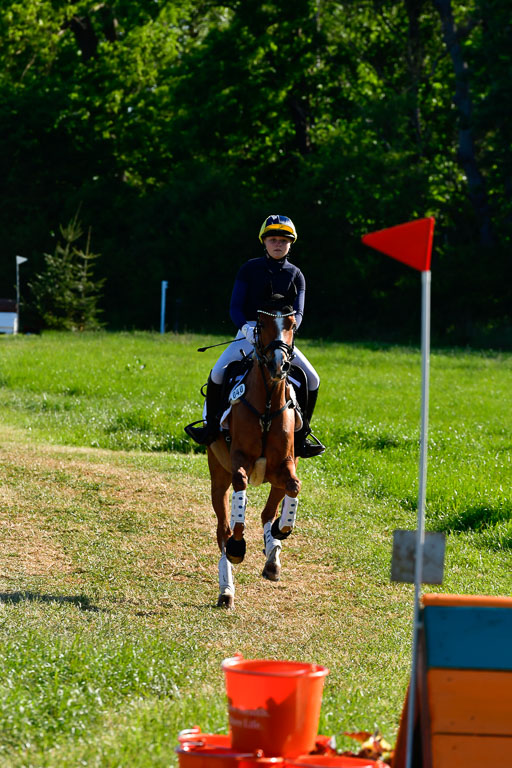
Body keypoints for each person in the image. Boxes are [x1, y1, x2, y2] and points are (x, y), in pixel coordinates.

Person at [185, 215, 325, 458]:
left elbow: (299, 313)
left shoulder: (296, 275)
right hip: (248, 331)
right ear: (264, 242)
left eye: (283, 240)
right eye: (273, 239)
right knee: (218, 373)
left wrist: (288, 332)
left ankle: (302, 436)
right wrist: (246, 329)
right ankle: (211, 426)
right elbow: (235, 308)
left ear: (290, 244)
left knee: (313, 379)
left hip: (281, 335)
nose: (278, 244)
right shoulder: (249, 269)